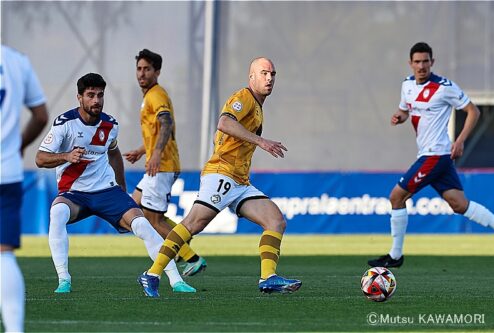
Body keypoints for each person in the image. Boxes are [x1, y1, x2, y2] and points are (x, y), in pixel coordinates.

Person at [137, 57, 302, 297]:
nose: (269, 78)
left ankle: (268, 277)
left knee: (275, 221)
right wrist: (260, 141)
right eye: (264, 73)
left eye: (273, 74)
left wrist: (224, 145)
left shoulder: (257, 105)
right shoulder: (244, 97)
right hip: (222, 175)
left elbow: (220, 134)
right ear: (252, 77)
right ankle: (152, 274)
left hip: (240, 181)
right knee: (193, 223)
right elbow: (224, 122)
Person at [35, 73, 195, 294]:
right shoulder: (64, 124)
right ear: (79, 98)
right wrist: (66, 156)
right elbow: (40, 158)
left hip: (107, 191)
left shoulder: (110, 124)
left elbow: (114, 152)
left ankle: (176, 281)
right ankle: (64, 280)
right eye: (90, 95)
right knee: (57, 213)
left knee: (142, 225)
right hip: (74, 194)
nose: (96, 100)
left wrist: (121, 186)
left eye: (100, 95)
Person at [368, 42, 494, 268]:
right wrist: (400, 117)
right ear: (410, 64)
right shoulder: (407, 85)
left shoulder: (444, 87)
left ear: (432, 62)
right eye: (417, 62)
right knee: (459, 205)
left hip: (435, 156)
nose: (421, 66)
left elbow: (473, 111)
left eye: (425, 61)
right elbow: (405, 110)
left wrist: (459, 141)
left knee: (396, 197)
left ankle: (395, 256)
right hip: (434, 157)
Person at [123, 49, 206, 276]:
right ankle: (187, 253)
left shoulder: (155, 95)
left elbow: (166, 123)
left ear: (157, 71)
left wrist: (157, 153)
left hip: (162, 166)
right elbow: (157, 130)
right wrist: (144, 151)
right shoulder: (149, 96)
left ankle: (191, 258)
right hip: (157, 163)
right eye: (139, 69)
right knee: (135, 206)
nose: (141, 73)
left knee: (151, 220)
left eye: (147, 69)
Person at [0, 45, 49, 333]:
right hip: (6, 172)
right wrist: (17, 145)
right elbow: (41, 115)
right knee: (4, 255)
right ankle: (15, 329)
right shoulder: (17, 61)